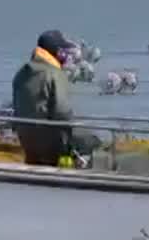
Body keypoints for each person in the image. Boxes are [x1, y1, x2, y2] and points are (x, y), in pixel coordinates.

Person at [11, 30, 91, 167]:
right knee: (91, 141)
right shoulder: (54, 73)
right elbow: (62, 112)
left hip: (28, 145)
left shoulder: (21, 74)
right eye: (63, 51)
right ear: (57, 51)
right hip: (51, 146)